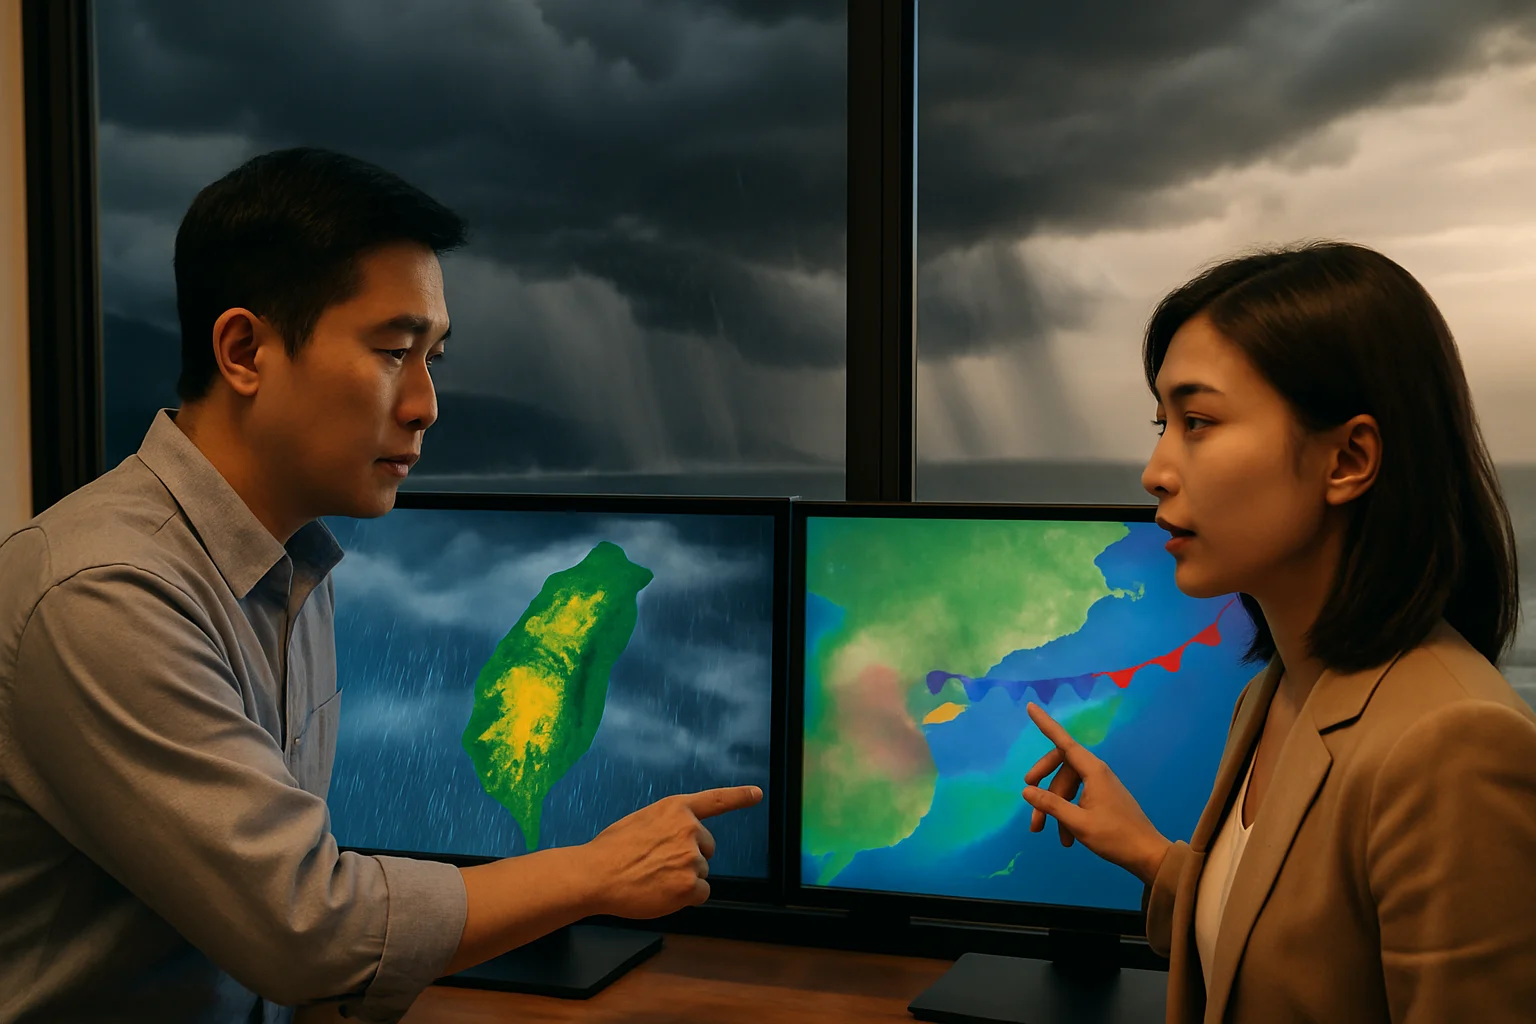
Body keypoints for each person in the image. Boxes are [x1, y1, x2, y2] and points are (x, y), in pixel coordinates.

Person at [0, 148, 760, 1024]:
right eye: (396, 351)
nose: (427, 403)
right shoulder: (103, 593)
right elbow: (308, 930)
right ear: (244, 350)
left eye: (434, 355)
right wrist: (597, 871)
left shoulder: (293, 564)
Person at [1019, 242, 1536, 1023]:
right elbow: (1289, 945)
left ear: (1349, 459)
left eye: (1197, 422)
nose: (1155, 470)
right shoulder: (1279, 692)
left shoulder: (1454, 746)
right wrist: (1151, 857)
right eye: (1163, 423)